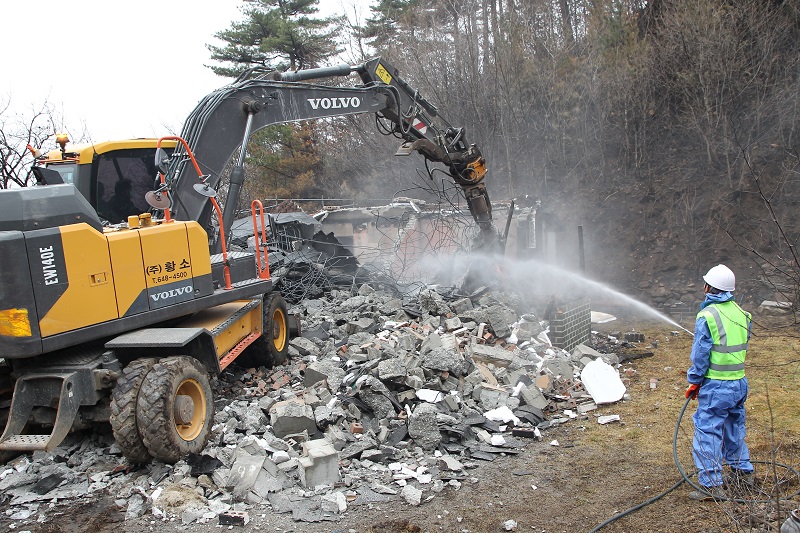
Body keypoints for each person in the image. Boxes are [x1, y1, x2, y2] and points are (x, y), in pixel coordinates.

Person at [685, 264, 754, 501]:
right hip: (739, 383)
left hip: (717, 386)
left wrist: (694, 381)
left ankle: (711, 485)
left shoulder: (708, 316)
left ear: (709, 287)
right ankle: (743, 474)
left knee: (708, 431)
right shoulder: (743, 314)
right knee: (734, 428)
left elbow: (700, 355)